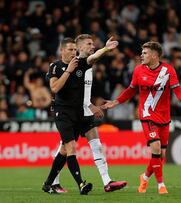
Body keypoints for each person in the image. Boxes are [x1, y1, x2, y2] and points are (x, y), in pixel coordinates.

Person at [103, 41, 181, 194]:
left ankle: (144, 177)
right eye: (142, 52)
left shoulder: (168, 70)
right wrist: (116, 101)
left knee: (161, 155)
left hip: (164, 116)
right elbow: (131, 90)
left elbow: (176, 88)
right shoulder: (138, 70)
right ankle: (161, 185)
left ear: (154, 55)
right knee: (156, 147)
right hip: (146, 115)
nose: (141, 55)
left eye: (145, 53)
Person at [50, 34, 127, 193]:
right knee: (65, 149)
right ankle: (54, 182)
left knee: (95, 145)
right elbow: (63, 90)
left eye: (93, 44)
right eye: (89, 44)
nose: (93, 46)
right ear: (80, 47)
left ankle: (107, 181)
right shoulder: (70, 65)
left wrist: (90, 104)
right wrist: (89, 105)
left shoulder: (88, 67)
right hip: (70, 112)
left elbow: (83, 93)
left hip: (84, 111)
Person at [41, 38, 92, 195]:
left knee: (64, 150)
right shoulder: (55, 66)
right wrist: (69, 70)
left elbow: (92, 58)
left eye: (74, 49)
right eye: (70, 49)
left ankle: (48, 184)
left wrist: (106, 49)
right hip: (61, 112)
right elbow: (55, 88)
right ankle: (81, 184)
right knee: (71, 147)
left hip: (76, 113)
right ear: (62, 51)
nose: (73, 52)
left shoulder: (79, 64)